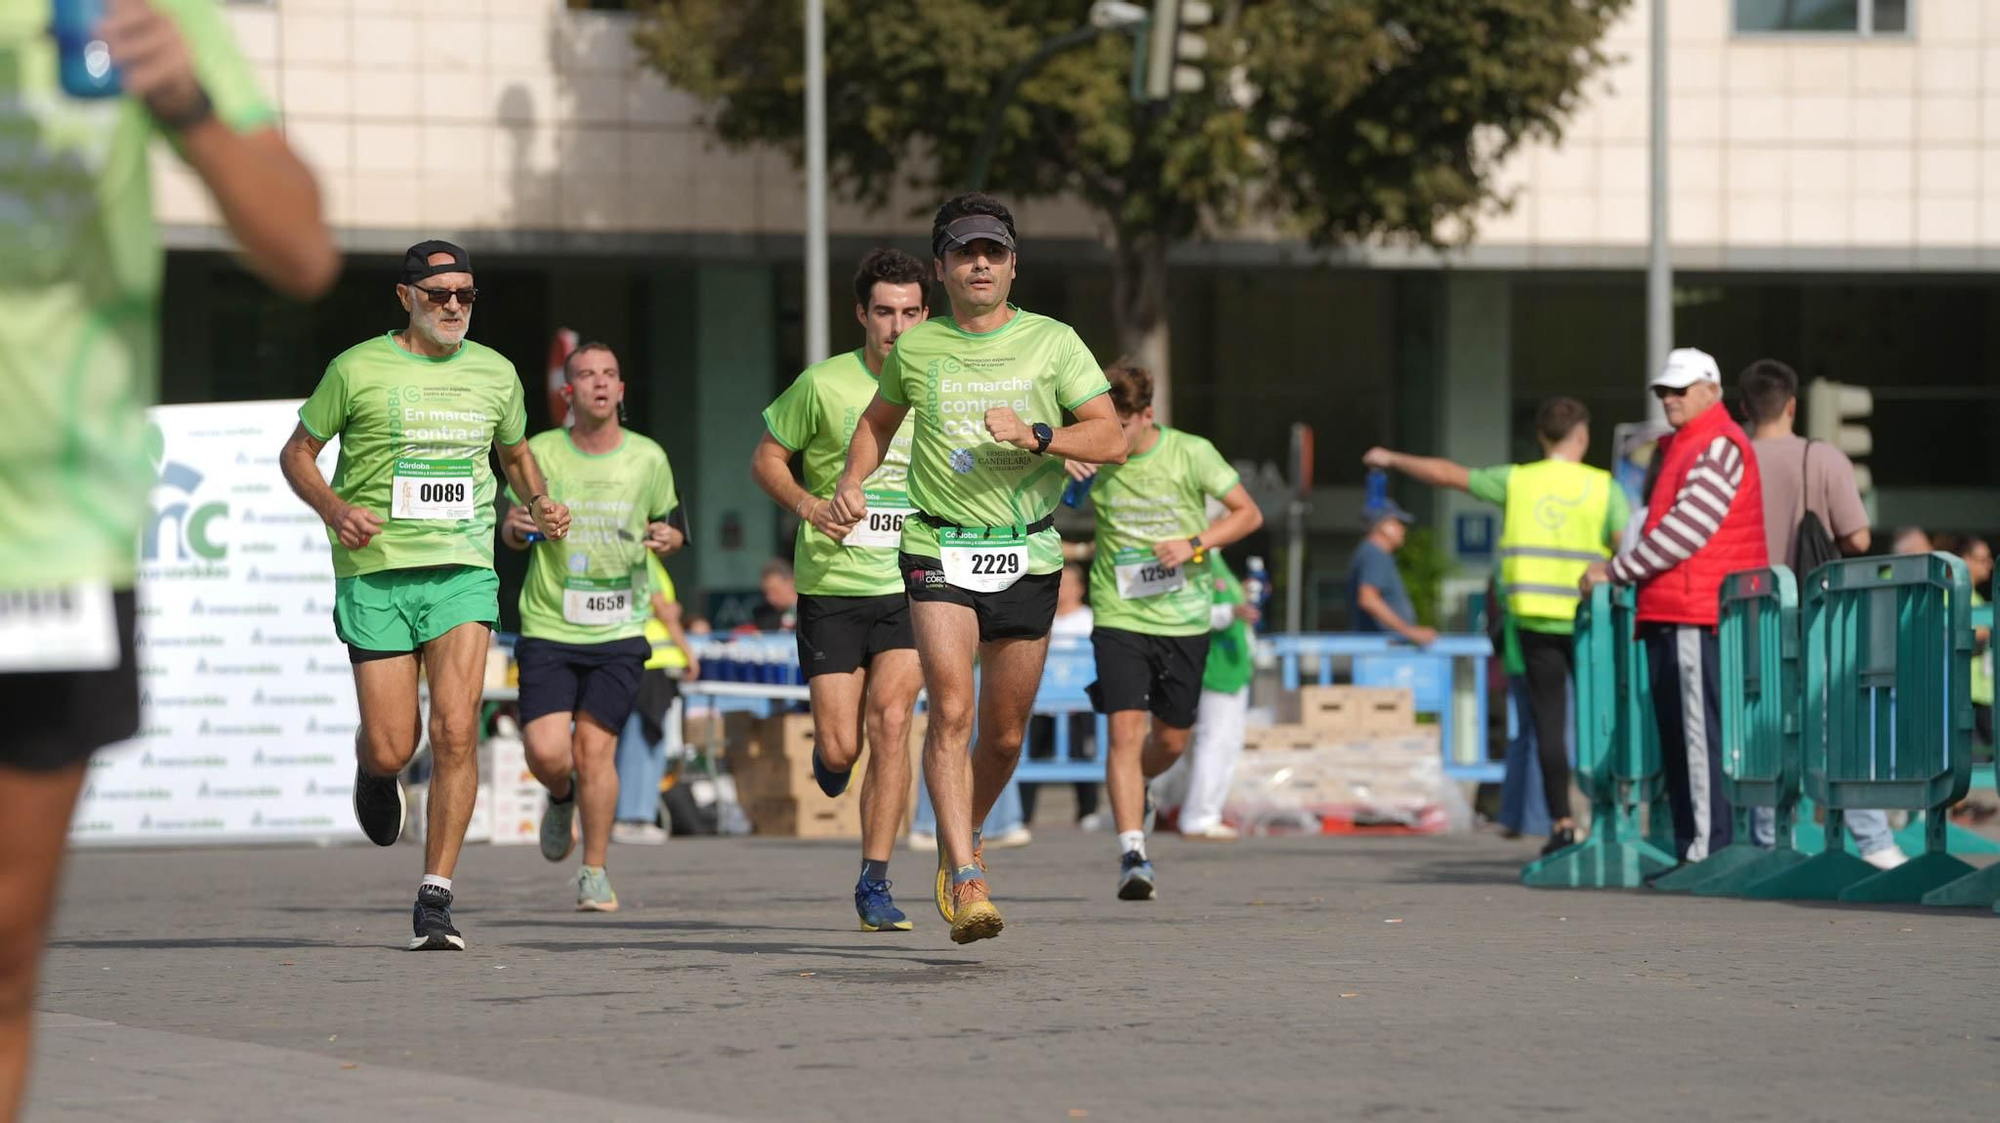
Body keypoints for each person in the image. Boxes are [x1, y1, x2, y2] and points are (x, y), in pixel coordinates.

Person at [0, 1, 336, 1113]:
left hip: (48, 540)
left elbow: (301, 249)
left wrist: (185, 103)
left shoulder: (138, 12)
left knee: (5, 951)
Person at [830, 192, 1125, 944]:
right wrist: (852, 477)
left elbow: (1111, 438)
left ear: (1014, 264)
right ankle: (966, 876)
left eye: (993, 251)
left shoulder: (1054, 342)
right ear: (943, 267)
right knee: (951, 710)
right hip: (937, 545)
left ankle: (969, 830)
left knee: (1001, 734)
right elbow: (876, 422)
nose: (981, 263)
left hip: (1026, 547)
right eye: (966, 252)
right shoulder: (919, 348)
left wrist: (1037, 433)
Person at [280, 242, 572, 950]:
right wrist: (333, 509)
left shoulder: (496, 372)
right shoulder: (355, 368)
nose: (453, 307)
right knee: (392, 744)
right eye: (439, 294)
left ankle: (435, 895)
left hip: (461, 570)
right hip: (374, 569)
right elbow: (297, 453)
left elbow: (516, 451)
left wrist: (540, 499)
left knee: (455, 729)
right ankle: (372, 770)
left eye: (465, 295)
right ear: (405, 296)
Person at [750, 248, 929, 932]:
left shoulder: (941, 384)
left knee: (892, 722)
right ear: (862, 314)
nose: (897, 328)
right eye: (884, 312)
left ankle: (875, 881)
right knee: (840, 747)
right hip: (832, 584)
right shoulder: (823, 384)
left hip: (916, 581)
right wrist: (808, 506)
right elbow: (766, 458)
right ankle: (833, 761)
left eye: (911, 312)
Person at [1364, 396, 1627, 855]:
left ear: (1542, 437)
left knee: (1548, 722)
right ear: (1582, 437)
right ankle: (1607, 817)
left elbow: (1447, 475)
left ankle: (1560, 823)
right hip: (1590, 622)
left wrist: (1392, 458)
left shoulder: (1518, 481)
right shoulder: (1605, 487)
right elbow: (1628, 553)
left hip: (1532, 622)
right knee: (1599, 719)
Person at [1065, 366, 1263, 899]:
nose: (1110, 436)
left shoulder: (1191, 452)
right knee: (1123, 734)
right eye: (1101, 423)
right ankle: (1134, 852)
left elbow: (1248, 515)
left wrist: (1194, 544)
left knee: (1172, 739)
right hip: (1119, 613)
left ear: (1147, 417)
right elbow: (1046, 502)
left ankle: (1142, 787)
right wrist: (1064, 467)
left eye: (1120, 425)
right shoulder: (1094, 457)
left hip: (1183, 617)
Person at [500, 342, 682, 910]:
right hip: (550, 620)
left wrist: (668, 539)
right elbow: (509, 528)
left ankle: (595, 871)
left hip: (621, 625)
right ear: (567, 393)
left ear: (621, 390)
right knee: (547, 750)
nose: (599, 383)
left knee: (595, 752)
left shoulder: (648, 456)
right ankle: (559, 796)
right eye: (586, 375)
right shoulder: (540, 453)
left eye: (610, 374)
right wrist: (523, 526)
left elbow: (671, 527)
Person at [1583, 348, 1766, 865]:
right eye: (1664, 390)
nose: (1670, 398)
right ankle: (1695, 846)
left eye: (1680, 389)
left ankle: (1707, 852)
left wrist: (1613, 570)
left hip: (1696, 609)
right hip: (1675, 607)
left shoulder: (1719, 443)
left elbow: (1685, 531)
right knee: (1683, 740)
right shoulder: (1686, 444)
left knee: (1697, 738)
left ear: (1712, 389)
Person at [1737, 359, 1904, 869]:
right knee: (1837, 727)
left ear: (1744, 408)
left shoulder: (1731, 460)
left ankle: (1769, 843)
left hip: (1747, 615)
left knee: (1762, 728)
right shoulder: (1821, 458)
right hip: (1816, 616)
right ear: (1791, 404)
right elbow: (1856, 537)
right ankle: (1873, 841)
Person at [1154, 548, 1261, 842]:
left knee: (1221, 743)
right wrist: (1231, 612)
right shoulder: (1197, 558)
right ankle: (1198, 815)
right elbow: (1184, 609)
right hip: (1214, 665)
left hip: (1229, 666)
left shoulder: (1216, 560)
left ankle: (1189, 809)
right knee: (1212, 742)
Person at [612, 549, 699, 845]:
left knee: (643, 738)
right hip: (650, 662)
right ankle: (632, 816)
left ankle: (633, 815)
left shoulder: (634, 556)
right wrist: (687, 650)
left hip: (641, 659)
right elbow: (661, 608)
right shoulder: (640, 556)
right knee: (643, 739)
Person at [1020, 560, 1102, 830]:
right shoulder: (1041, 618)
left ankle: (1088, 811)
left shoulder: (1090, 619)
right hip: (1042, 701)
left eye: (1069, 584)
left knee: (1083, 753)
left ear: (1080, 588)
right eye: (1059, 583)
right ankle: (1023, 814)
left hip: (1079, 702)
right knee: (1028, 753)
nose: (1063, 590)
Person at [1348, 500, 1435, 644]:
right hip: (1378, 650)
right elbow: (1368, 599)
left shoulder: (1371, 553)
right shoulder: (1374, 554)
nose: (1403, 529)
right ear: (1383, 526)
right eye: (1398, 523)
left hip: (1378, 649)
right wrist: (1409, 631)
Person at [750, 559, 799, 632]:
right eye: (766, 593)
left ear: (790, 582)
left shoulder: (811, 613)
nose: (769, 599)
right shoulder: (764, 616)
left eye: (774, 591)